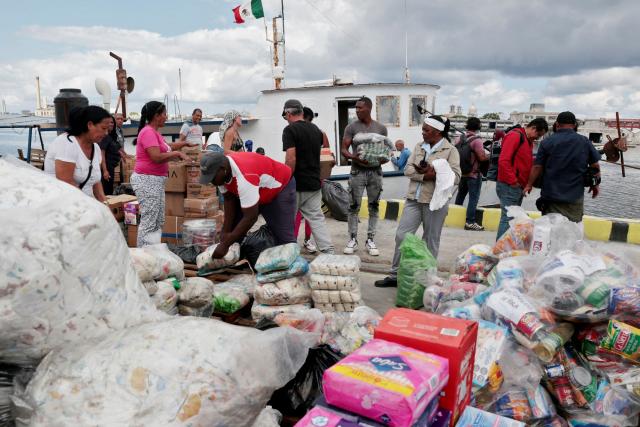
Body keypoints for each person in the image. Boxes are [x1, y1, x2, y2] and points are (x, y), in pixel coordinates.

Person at [375, 115, 461, 288]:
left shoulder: (450, 150)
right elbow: (407, 170)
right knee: (402, 236)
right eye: (423, 129)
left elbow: (456, 177)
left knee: (430, 240)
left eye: (426, 130)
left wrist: (433, 174)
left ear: (437, 132)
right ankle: (395, 275)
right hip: (414, 198)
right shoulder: (418, 146)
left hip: (435, 202)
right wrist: (426, 175)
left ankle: (426, 279)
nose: (423, 133)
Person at [199, 151, 297, 259]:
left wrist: (225, 245)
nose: (211, 182)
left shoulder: (245, 176)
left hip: (280, 187)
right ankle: (235, 258)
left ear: (223, 169)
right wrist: (225, 231)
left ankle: (293, 267)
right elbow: (228, 199)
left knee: (284, 240)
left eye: (212, 178)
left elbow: (251, 217)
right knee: (233, 229)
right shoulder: (222, 173)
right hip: (257, 189)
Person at [130, 101, 192, 247]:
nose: (166, 116)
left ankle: (153, 250)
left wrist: (183, 144)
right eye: (164, 114)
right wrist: (177, 154)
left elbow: (167, 147)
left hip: (156, 181)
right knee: (150, 220)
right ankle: (144, 255)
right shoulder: (148, 132)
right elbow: (156, 156)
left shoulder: (154, 133)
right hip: (146, 180)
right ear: (156, 116)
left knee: (158, 220)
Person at [525, 111, 601, 222]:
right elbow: (595, 166)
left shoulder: (547, 142)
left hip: (551, 195)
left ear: (557, 124)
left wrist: (529, 184)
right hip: (575, 196)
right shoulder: (584, 141)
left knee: (551, 229)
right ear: (574, 125)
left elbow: (537, 167)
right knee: (573, 229)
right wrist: (595, 185)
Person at [283, 99, 334, 254]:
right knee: (317, 218)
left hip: (296, 183)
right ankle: (328, 251)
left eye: (285, 116)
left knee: (287, 219)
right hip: (314, 182)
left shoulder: (290, 130)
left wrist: (285, 180)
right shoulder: (317, 130)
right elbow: (324, 156)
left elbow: (291, 158)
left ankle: (287, 252)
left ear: (288, 113)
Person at [340, 96, 388, 256]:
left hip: (376, 172)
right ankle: (353, 239)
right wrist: (354, 157)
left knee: (374, 207)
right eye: (356, 108)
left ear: (369, 108)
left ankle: (370, 239)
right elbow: (344, 150)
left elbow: (386, 150)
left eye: (360, 108)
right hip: (357, 171)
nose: (357, 110)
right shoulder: (351, 128)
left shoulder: (381, 128)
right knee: (354, 207)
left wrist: (384, 158)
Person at [496, 118, 549, 239]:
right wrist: (513, 181)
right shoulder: (515, 136)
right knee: (508, 218)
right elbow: (504, 161)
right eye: (538, 134)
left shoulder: (527, 140)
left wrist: (525, 184)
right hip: (509, 185)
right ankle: (499, 250)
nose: (537, 138)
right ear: (533, 128)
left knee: (513, 218)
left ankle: (505, 247)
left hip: (517, 185)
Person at [44, 105, 111, 202]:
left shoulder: (95, 148)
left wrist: (105, 206)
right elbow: (66, 182)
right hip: (64, 204)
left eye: (107, 130)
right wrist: (91, 206)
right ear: (90, 125)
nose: (106, 133)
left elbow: (95, 182)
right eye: (103, 128)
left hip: (85, 204)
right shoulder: (66, 143)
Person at [454, 117, 488, 231]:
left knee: (460, 195)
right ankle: (470, 221)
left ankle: (455, 216)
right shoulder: (477, 140)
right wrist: (490, 154)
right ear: (478, 127)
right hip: (473, 174)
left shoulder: (459, 138)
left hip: (461, 173)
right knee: (473, 198)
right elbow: (482, 158)